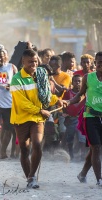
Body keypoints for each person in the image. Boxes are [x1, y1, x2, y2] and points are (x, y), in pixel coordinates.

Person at [10, 49, 65, 189]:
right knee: (24, 149)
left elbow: (45, 95)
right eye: (30, 62)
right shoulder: (16, 79)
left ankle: (32, 176)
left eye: (35, 62)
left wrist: (56, 100)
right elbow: (22, 103)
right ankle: (30, 177)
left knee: (37, 144)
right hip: (21, 119)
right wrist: (41, 110)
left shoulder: (41, 74)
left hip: (37, 118)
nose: (33, 64)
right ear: (23, 62)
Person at [67, 51, 102, 186]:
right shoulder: (88, 77)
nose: (101, 65)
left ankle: (82, 174)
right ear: (95, 63)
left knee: (94, 149)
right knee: (96, 147)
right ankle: (99, 180)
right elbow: (80, 95)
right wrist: (69, 102)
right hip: (91, 117)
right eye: (99, 63)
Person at [62, 74, 86, 160]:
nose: (77, 83)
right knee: (70, 137)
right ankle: (71, 155)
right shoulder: (68, 93)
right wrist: (66, 115)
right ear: (72, 82)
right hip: (71, 119)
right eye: (75, 81)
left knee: (82, 137)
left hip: (81, 119)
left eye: (79, 81)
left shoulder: (85, 93)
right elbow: (64, 104)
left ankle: (82, 155)